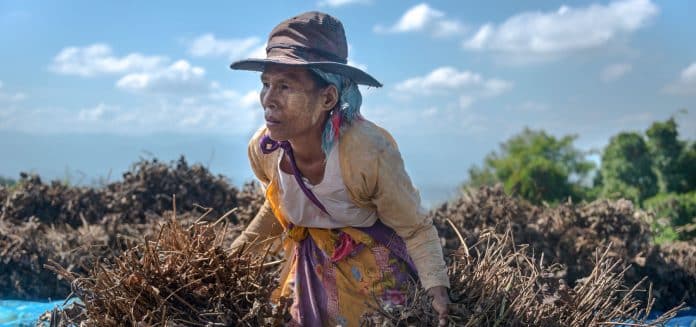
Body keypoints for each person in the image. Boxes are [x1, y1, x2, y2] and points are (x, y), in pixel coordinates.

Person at [229, 11, 450, 327]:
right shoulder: (265, 151)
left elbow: (414, 227)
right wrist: (230, 261)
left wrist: (437, 290)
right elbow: (279, 206)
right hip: (310, 271)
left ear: (328, 97)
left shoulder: (365, 153)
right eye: (266, 84)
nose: (269, 100)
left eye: (286, 86)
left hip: (374, 278)